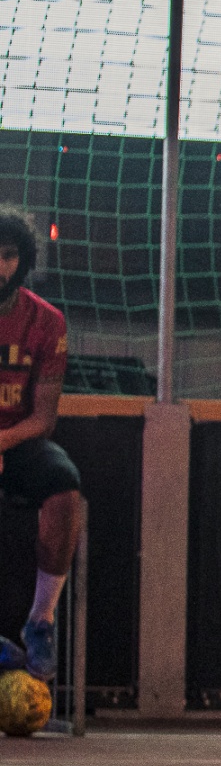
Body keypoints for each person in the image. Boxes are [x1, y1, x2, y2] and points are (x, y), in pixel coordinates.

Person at [0, 207, 84, 684]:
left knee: (64, 484)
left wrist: (1, 442)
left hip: (18, 437)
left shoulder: (47, 321)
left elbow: (44, 419)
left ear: (24, 260)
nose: (0, 266)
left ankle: (40, 621)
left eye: (9, 255)